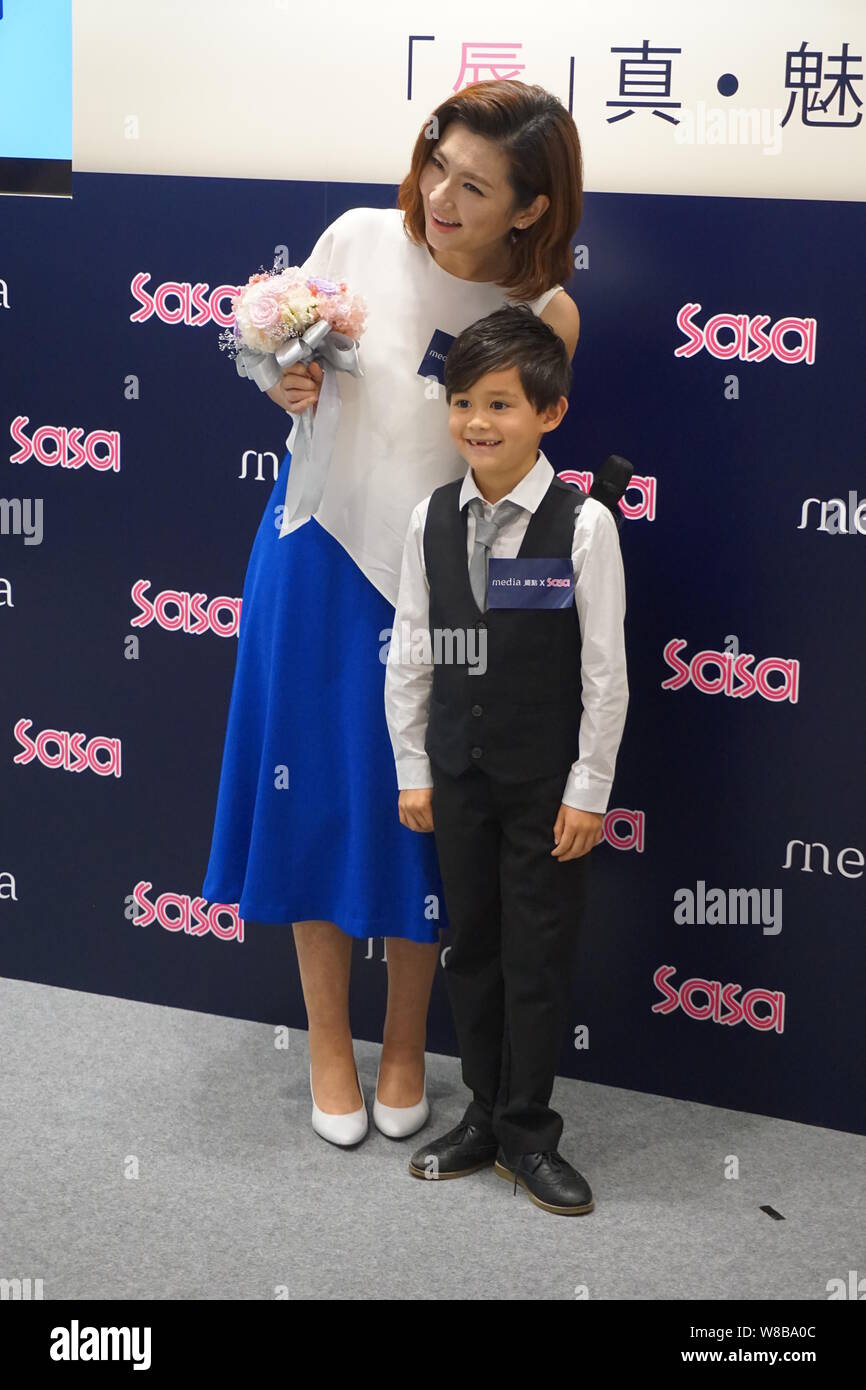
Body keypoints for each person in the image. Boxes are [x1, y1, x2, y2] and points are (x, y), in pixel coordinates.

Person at [201, 80, 584, 1148]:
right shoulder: (359, 237)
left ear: (531, 209)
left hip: (443, 584)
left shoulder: (544, 314)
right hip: (315, 552)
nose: (440, 197)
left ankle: (410, 1046)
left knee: (435, 816)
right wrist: (273, 371)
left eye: (473, 185)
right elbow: (264, 351)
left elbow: (517, 476)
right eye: (434, 166)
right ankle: (331, 1044)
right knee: (314, 796)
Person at [384, 305, 628, 1214]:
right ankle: (483, 1113)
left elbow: (607, 672)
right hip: (457, 775)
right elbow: (413, 646)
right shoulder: (431, 518)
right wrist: (414, 767)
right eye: (461, 402)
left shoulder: (585, 527)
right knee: (472, 948)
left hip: (544, 788)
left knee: (537, 956)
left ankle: (529, 1132)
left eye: (500, 403)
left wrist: (588, 789)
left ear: (549, 414)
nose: (477, 422)